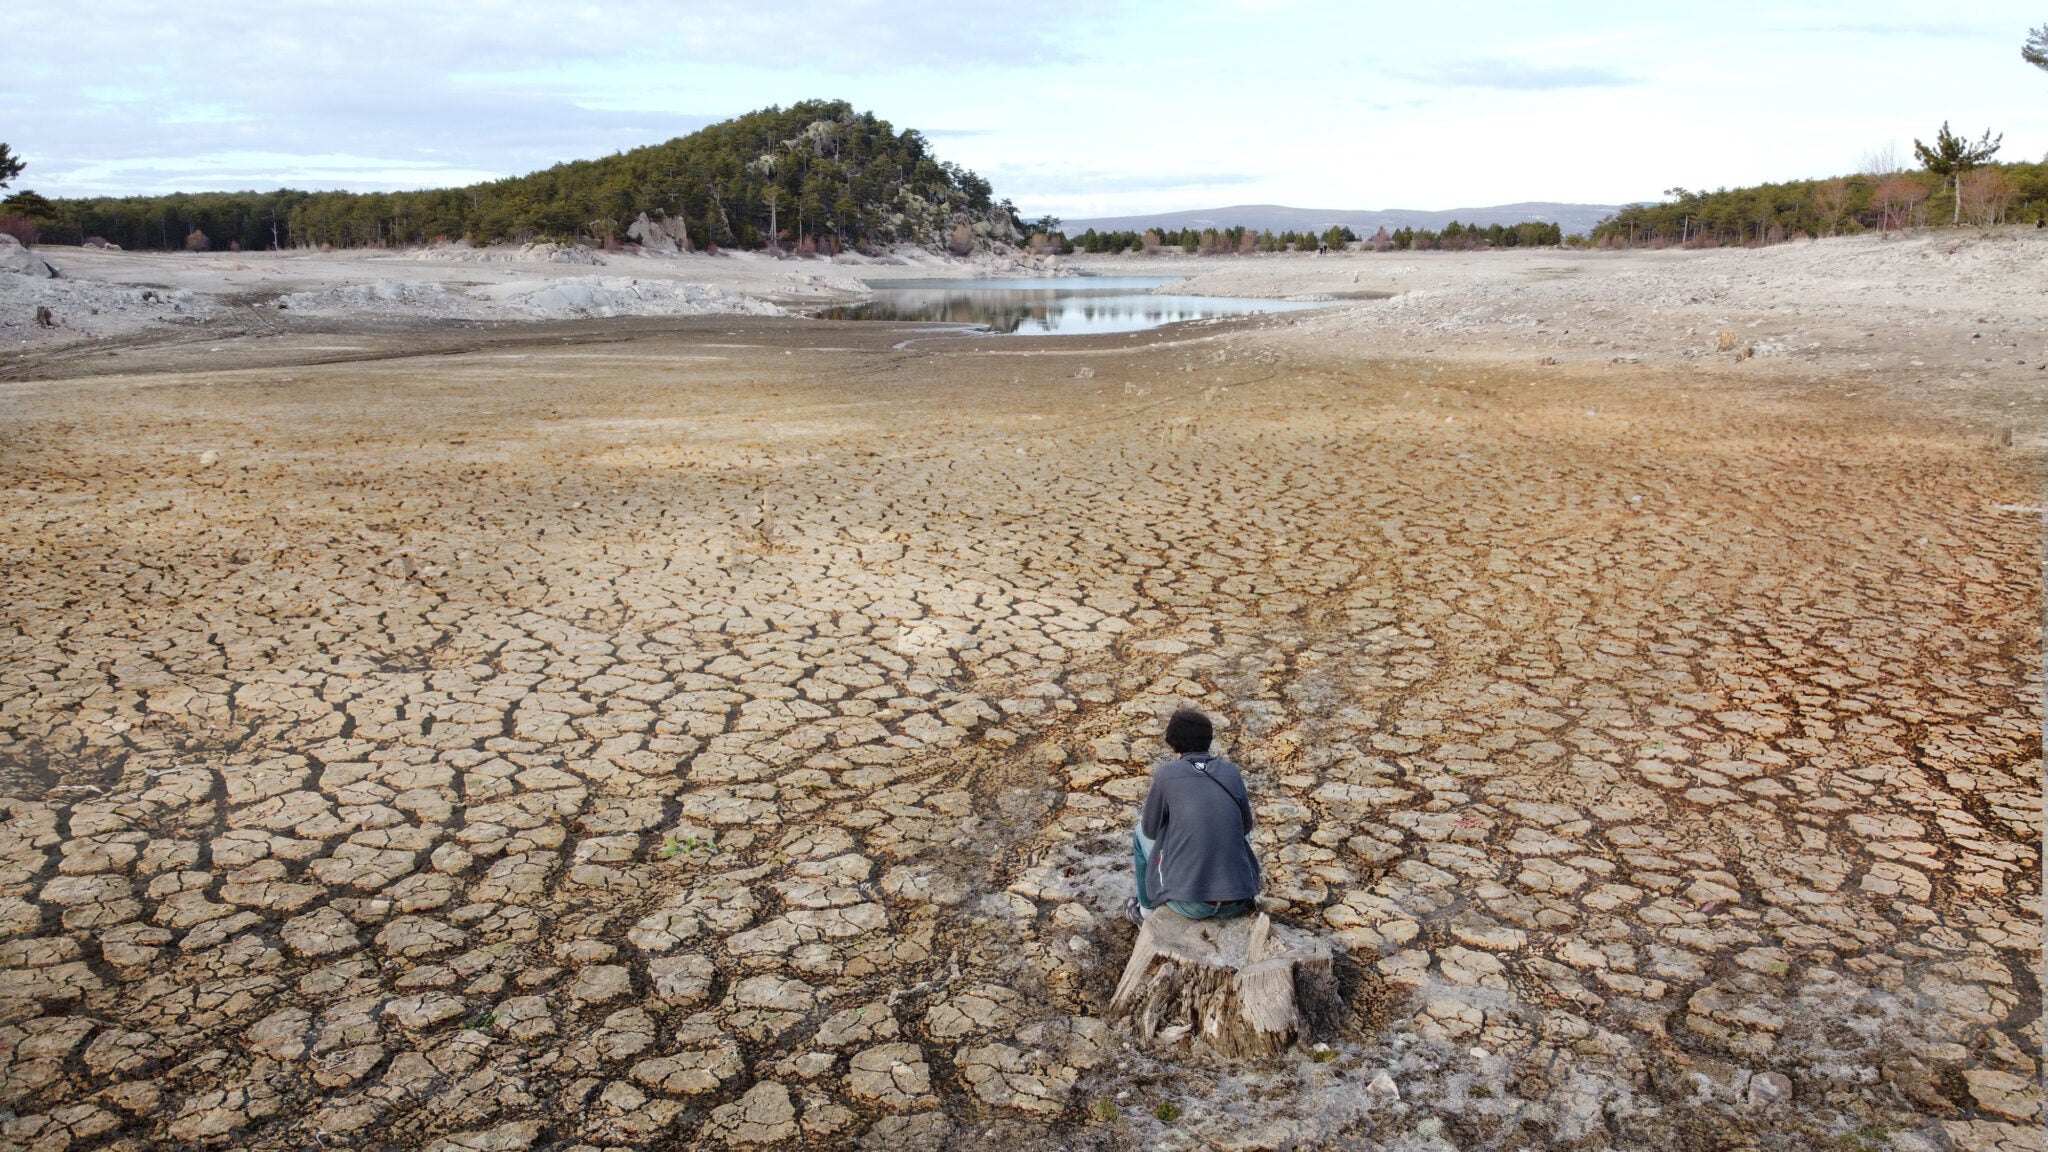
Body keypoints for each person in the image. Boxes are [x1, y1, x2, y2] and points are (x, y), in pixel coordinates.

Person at [1127, 708, 1261, 924]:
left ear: (1172, 741)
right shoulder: (1231, 772)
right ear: (1208, 740)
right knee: (1235, 834)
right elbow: (1246, 828)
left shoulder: (1166, 774)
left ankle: (1145, 910)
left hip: (1189, 904)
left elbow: (1150, 830)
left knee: (1138, 833)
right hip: (1237, 901)